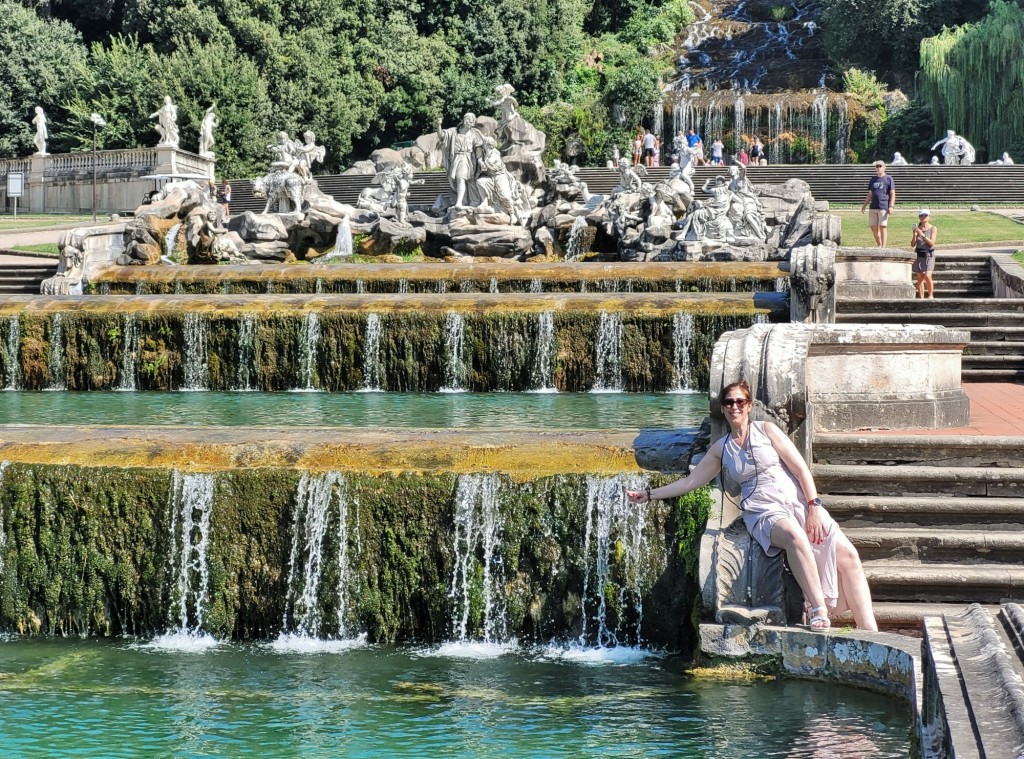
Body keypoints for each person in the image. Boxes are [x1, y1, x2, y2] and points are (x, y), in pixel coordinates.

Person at [626, 380, 877, 632]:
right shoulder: (720, 449)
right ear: (723, 409)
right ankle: (818, 609)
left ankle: (870, 631)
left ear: (748, 406)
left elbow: (801, 469)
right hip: (763, 512)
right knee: (794, 536)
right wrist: (649, 494)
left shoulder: (767, 430)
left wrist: (814, 506)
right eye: (729, 402)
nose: (735, 406)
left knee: (849, 556)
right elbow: (690, 482)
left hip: (799, 504)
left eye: (740, 402)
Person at [860, 160, 895, 247]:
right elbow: (870, 193)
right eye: (877, 166)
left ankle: (883, 247)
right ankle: (879, 244)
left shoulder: (888, 178)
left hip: (883, 206)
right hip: (873, 206)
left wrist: (891, 206)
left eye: (880, 166)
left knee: (883, 227)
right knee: (873, 227)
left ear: (884, 167)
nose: (878, 168)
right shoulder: (873, 179)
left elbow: (892, 193)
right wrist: (864, 205)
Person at [911, 208, 937, 298]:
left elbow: (932, 243)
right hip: (918, 254)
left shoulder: (933, 228)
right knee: (919, 278)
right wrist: (914, 235)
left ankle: (930, 295)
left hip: (929, 255)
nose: (923, 217)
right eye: (921, 215)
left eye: (925, 215)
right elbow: (912, 244)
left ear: (929, 216)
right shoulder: (917, 229)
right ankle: (921, 298)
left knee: (927, 275)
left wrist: (922, 235)